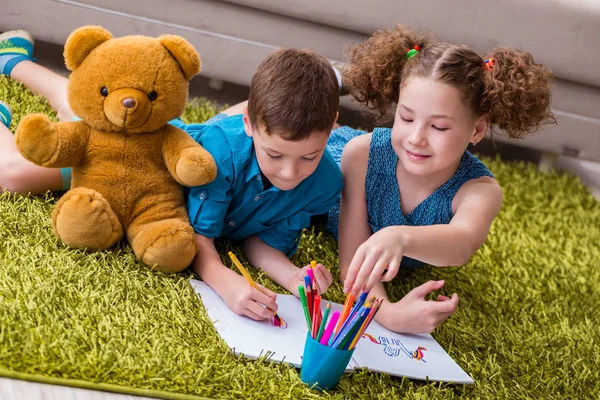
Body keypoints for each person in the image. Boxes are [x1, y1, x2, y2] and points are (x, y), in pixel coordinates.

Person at [0, 30, 341, 321]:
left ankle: (15, 62)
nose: (289, 172)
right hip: (134, 154)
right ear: (249, 125)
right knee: (14, 174)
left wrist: (293, 276)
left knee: (71, 107)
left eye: (309, 157)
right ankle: (13, 65)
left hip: (165, 173)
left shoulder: (325, 182)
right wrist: (222, 280)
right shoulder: (219, 156)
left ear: (331, 129)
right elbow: (199, 238)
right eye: (275, 154)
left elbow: (261, 240)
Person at [326, 25, 555, 333]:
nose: (416, 139)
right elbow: (352, 256)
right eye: (406, 118)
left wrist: (399, 237)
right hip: (327, 155)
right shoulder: (360, 156)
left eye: (439, 127)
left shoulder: (479, 190)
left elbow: (462, 244)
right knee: (279, 134)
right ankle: (323, 84)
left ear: (476, 130)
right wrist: (387, 314)